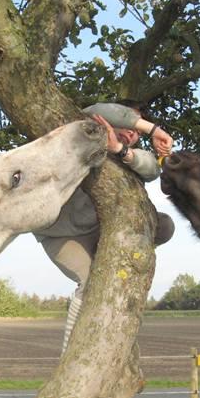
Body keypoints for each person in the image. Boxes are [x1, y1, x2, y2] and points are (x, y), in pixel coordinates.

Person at [34, 102, 175, 353]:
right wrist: (153, 129)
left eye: (138, 135)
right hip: (62, 234)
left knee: (163, 224)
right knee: (88, 281)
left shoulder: (129, 157)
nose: (134, 133)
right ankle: (70, 351)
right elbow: (94, 109)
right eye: (131, 125)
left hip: (100, 230)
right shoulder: (83, 133)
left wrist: (121, 150)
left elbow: (152, 167)